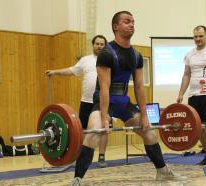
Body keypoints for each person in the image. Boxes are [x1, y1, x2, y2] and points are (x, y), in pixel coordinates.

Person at [71, 11, 183, 186]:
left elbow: (138, 88)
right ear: (116, 26)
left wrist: (145, 116)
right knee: (93, 134)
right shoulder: (107, 53)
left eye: (133, 22)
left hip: (123, 102)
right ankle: (77, 179)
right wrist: (103, 119)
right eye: (126, 22)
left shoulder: (136, 55)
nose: (131, 25)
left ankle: (162, 172)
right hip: (104, 102)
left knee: (150, 133)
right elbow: (105, 88)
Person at [46, 35, 109, 168]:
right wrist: (55, 72)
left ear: (105, 45)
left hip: (103, 101)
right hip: (86, 101)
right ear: (93, 45)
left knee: (103, 129)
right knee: (84, 130)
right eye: (97, 44)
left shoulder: (110, 60)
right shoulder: (85, 60)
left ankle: (102, 156)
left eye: (102, 44)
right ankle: (83, 156)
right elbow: (70, 71)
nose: (99, 46)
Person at [177, 25, 206, 166]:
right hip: (194, 95)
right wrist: (181, 94)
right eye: (195, 36)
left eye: (200, 36)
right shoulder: (190, 54)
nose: (198, 39)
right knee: (198, 127)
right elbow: (186, 75)